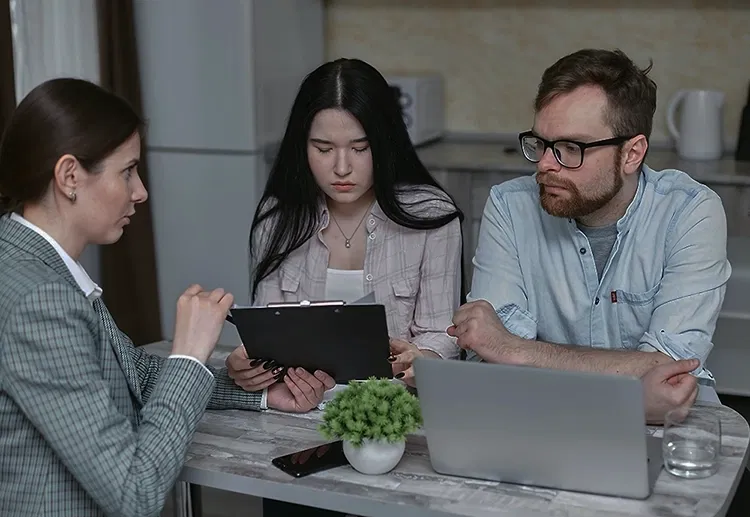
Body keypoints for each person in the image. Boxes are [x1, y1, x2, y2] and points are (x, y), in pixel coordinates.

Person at [0, 78, 333, 517]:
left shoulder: (31, 261)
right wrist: (191, 354)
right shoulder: (40, 301)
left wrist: (264, 396)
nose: (140, 192)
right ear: (69, 176)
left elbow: (132, 374)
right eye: (127, 171)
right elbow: (134, 492)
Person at [225, 57, 464, 517]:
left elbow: (441, 333)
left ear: (386, 142)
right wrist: (249, 365)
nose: (341, 167)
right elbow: (267, 331)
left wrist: (425, 358)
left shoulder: (433, 216)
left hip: (393, 430)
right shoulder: (276, 221)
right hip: (296, 431)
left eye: (360, 147)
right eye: (322, 147)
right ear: (301, 146)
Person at [448, 48, 731, 424]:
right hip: (537, 418)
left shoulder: (690, 211)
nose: (546, 164)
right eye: (541, 143)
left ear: (632, 154)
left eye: (571, 148)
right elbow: (492, 358)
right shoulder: (509, 207)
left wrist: (521, 351)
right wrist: (628, 390)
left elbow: (670, 369)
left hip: (670, 430)